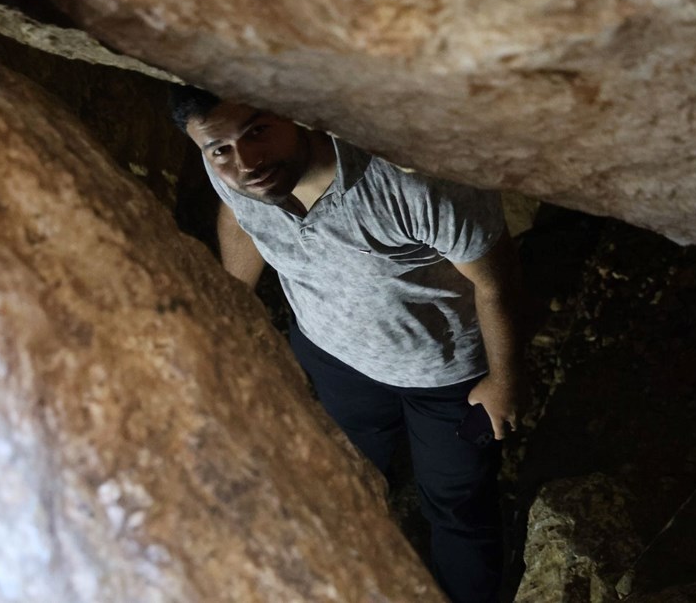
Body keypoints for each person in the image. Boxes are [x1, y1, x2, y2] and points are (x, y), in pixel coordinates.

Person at [169, 86, 525, 603]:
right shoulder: (232, 169)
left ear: (297, 112)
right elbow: (240, 218)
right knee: (348, 471)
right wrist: (232, 303)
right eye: (219, 148)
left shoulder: (410, 179)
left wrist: (506, 380)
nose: (246, 160)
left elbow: (497, 281)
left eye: (258, 130)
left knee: (458, 506)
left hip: (445, 376)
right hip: (331, 357)